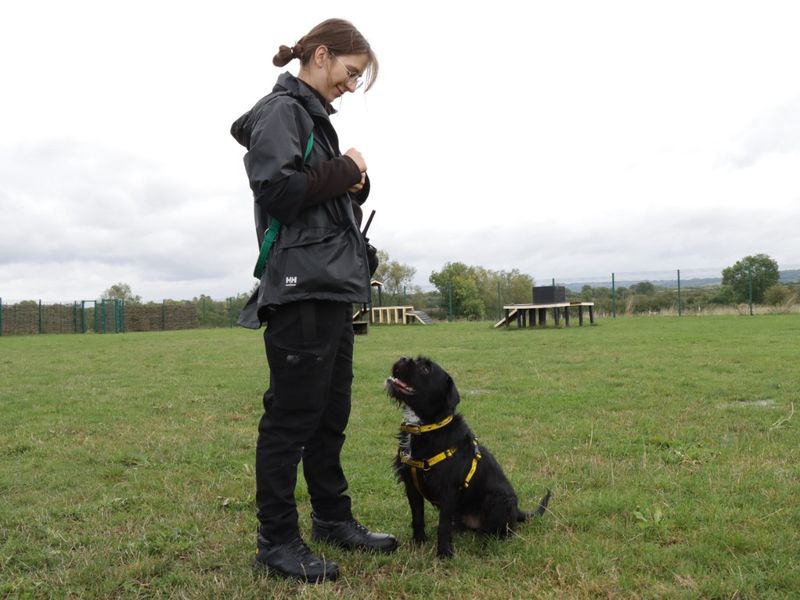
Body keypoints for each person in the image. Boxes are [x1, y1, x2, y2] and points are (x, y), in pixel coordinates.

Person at [230, 18, 396, 583]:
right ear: (321, 56)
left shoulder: (314, 119)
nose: (350, 86)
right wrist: (347, 167)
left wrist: (355, 185)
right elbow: (278, 192)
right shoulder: (281, 113)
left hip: (329, 287)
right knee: (291, 418)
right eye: (350, 74)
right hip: (300, 289)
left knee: (330, 414)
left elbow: (319, 193)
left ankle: (332, 519)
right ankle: (276, 541)